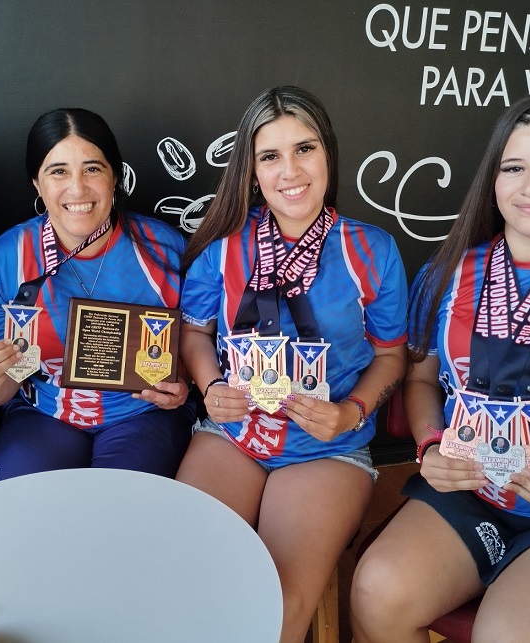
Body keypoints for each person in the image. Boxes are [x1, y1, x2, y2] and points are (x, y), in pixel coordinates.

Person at [351, 89, 530, 643]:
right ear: (493, 177)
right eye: (515, 167)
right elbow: (417, 377)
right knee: (376, 593)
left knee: (512, 634)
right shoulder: (445, 275)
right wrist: (430, 445)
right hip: (472, 494)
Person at [176, 86, 408, 642]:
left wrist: (350, 412)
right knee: (183, 582)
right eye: (270, 156)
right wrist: (211, 386)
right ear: (251, 172)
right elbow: (193, 334)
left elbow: (392, 356)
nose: (290, 171)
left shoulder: (370, 250)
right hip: (232, 434)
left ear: (328, 155)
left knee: (276, 607)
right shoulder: (224, 249)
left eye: (304, 149)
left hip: (325, 447)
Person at [0, 108, 194, 483]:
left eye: (93, 168)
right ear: (36, 183)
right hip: (44, 414)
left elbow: (196, 345)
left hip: (141, 414)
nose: (78, 188)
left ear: (114, 176)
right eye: (58, 171)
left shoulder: (164, 249)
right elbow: (4, 385)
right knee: (17, 517)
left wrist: (182, 386)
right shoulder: (5, 257)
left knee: (121, 520)